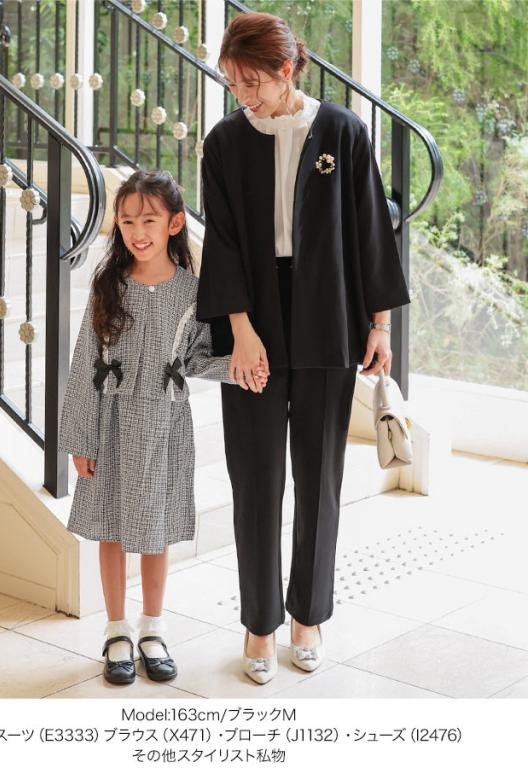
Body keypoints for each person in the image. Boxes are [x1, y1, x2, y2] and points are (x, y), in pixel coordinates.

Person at [197, 12, 411, 684]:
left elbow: (371, 230)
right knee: (255, 477)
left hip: (329, 315)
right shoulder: (225, 141)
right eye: (232, 82)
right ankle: (259, 625)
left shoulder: (343, 130)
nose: (242, 95)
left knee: (319, 477)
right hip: (251, 317)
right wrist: (240, 331)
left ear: (286, 69)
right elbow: (222, 240)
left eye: (252, 81)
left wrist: (379, 326)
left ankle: (308, 617)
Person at [58, 169, 268, 686]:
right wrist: (80, 438)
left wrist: (241, 370)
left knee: (156, 529)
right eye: (127, 221)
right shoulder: (108, 286)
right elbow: (86, 360)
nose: (137, 231)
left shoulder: (194, 292)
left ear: (174, 223)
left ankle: (153, 628)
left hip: (165, 422)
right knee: (109, 526)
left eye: (148, 220)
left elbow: (195, 359)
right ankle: (116, 631)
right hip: (110, 421)